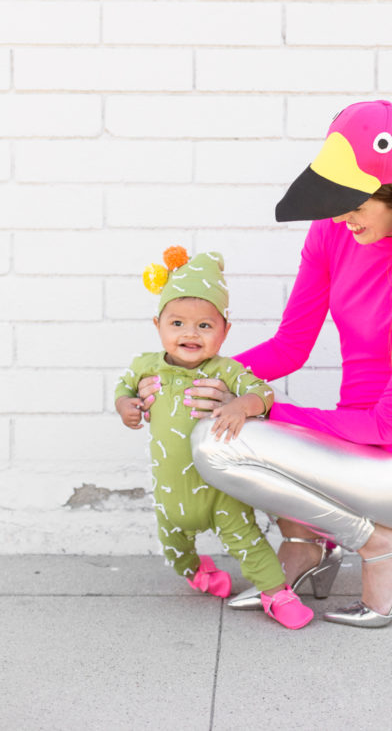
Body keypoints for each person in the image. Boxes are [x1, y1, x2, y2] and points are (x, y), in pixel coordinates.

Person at [138, 100, 392, 629]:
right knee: (218, 430)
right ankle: (303, 548)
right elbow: (291, 345)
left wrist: (259, 408)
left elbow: (387, 424)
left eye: (353, 202)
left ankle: (385, 544)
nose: (341, 214)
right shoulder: (332, 235)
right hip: (346, 452)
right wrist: (189, 382)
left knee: (216, 443)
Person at [115, 246, 313, 629]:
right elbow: (122, 391)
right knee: (174, 549)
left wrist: (242, 405)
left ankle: (277, 594)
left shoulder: (227, 371)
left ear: (225, 330)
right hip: (172, 493)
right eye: (177, 324)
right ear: (158, 324)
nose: (190, 333)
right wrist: (126, 406)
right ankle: (197, 572)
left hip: (221, 489)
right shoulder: (144, 367)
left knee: (249, 541)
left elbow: (264, 393)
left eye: (204, 325)